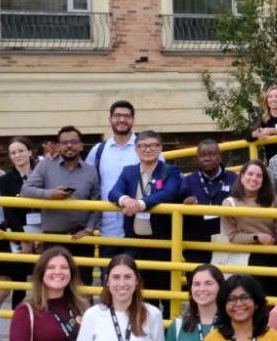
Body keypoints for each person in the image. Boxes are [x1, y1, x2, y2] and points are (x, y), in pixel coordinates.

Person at [107, 130, 185, 293]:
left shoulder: (170, 171)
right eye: (142, 146)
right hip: (135, 243)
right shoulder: (129, 171)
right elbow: (113, 192)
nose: (147, 149)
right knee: (141, 292)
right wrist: (125, 200)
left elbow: (168, 193)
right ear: (136, 149)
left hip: (162, 243)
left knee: (166, 291)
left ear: (160, 148)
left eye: (152, 145)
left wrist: (140, 204)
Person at [20, 127, 101, 264]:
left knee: (82, 278)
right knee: (53, 277)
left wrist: (89, 229)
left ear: (81, 146)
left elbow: (97, 202)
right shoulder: (45, 166)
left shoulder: (91, 171)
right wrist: (51, 194)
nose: (69, 145)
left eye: (73, 142)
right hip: (53, 238)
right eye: (64, 142)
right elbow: (25, 190)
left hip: (82, 239)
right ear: (58, 146)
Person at [86, 101, 141, 249]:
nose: (122, 120)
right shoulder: (98, 150)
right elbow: (85, 180)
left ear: (133, 120)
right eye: (117, 116)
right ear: (110, 119)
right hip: (107, 229)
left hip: (140, 227)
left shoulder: (145, 147)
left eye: (126, 116)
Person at [179, 139, 235, 268]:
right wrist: (185, 203)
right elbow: (178, 208)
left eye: (212, 154)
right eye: (202, 155)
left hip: (226, 239)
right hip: (196, 243)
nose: (207, 158)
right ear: (196, 158)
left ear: (220, 157)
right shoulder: (188, 181)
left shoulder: (233, 179)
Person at [164, 263, 224, 341]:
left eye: (208, 283)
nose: (202, 289)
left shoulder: (232, 324)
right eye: (196, 284)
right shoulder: (178, 326)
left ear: (220, 287)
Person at [221, 159, 277, 268]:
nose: (254, 178)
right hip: (245, 257)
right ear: (242, 177)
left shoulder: (273, 199)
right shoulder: (229, 203)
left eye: (259, 176)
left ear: (263, 180)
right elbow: (231, 236)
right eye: (250, 174)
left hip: (274, 253)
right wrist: (256, 237)